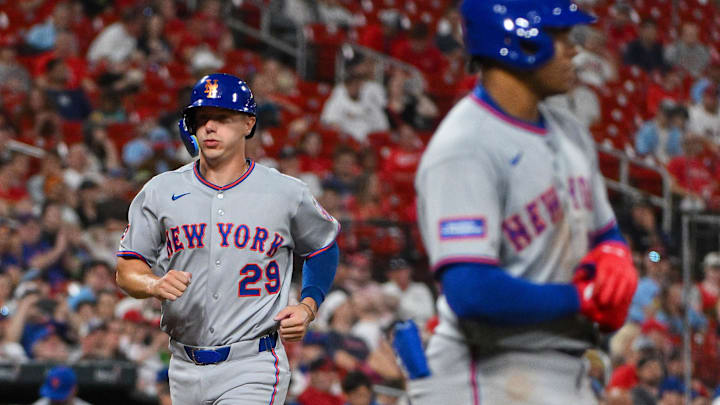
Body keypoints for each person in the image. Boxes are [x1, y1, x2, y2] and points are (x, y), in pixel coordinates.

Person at [410, 1, 638, 404]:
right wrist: (582, 298)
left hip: (566, 365)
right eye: (559, 36)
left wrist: (616, 258)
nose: (573, 50)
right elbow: (472, 290)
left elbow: (604, 232)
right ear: (516, 41)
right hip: (489, 372)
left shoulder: (571, 133)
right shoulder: (465, 146)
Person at [115, 73, 341, 404]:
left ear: (249, 123)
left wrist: (308, 305)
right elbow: (127, 268)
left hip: (253, 364)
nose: (209, 127)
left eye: (222, 118)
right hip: (182, 366)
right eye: (201, 118)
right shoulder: (161, 191)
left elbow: (323, 246)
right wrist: (152, 284)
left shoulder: (285, 192)